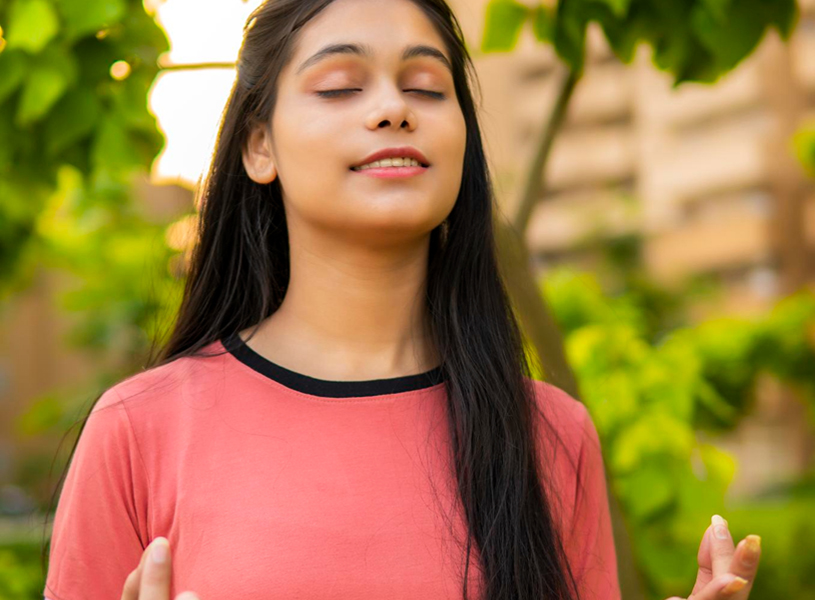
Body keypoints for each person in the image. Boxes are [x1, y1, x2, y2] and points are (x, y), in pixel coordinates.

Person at [41, 0, 761, 599]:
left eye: (424, 86)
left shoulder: (552, 434)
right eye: (340, 86)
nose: (391, 109)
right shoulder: (140, 428)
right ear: (258, 145)